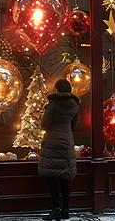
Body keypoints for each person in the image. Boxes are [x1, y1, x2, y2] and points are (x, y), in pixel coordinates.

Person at [38, 79, 80, 220]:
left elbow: (44, 124)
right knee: (64, 178)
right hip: (67, 141)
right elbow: (74, 124)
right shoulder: (75, 104)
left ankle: (55, 209)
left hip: (52, 142)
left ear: (57, 89)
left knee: (50, 176)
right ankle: (65, 210)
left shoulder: (53, 103)